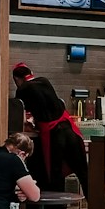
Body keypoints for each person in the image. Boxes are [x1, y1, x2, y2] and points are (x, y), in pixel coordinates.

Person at [11, 62, 90, 198]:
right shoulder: (44, 81)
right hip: (69, 131)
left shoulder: (22, 90)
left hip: (55, 135)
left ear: (17, 79)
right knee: (83, 173)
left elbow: (23, 117)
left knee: (55, 175)